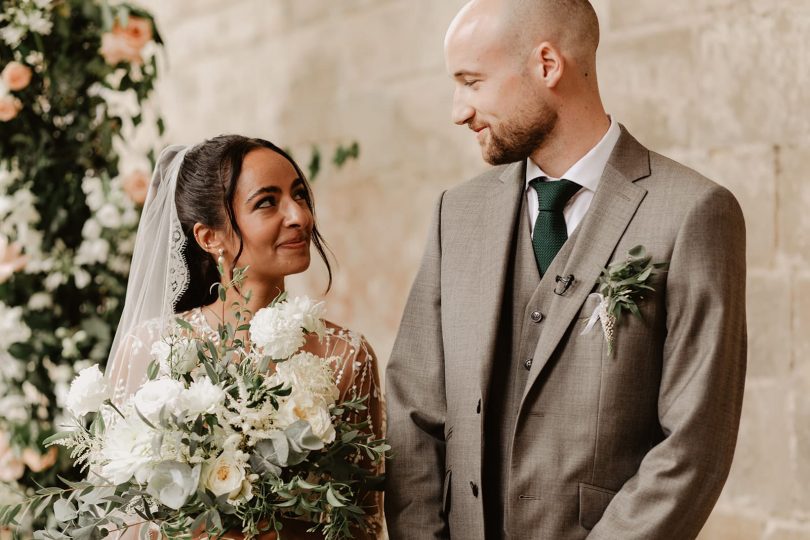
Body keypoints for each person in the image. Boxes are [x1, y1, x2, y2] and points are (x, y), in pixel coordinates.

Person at [384, 1, 747, 539]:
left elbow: (694, 444)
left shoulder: (693, 212)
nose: (459, 110)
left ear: (547, 65)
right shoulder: (456, 215)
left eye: (472, 81)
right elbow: (413, 412)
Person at [104, 136, 385, 539]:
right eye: (267, 202)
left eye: (300, 195)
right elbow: (119, 516)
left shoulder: (346, 355)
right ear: (209, 237)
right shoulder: (152, 347)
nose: (299, 216)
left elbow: (364, 522)